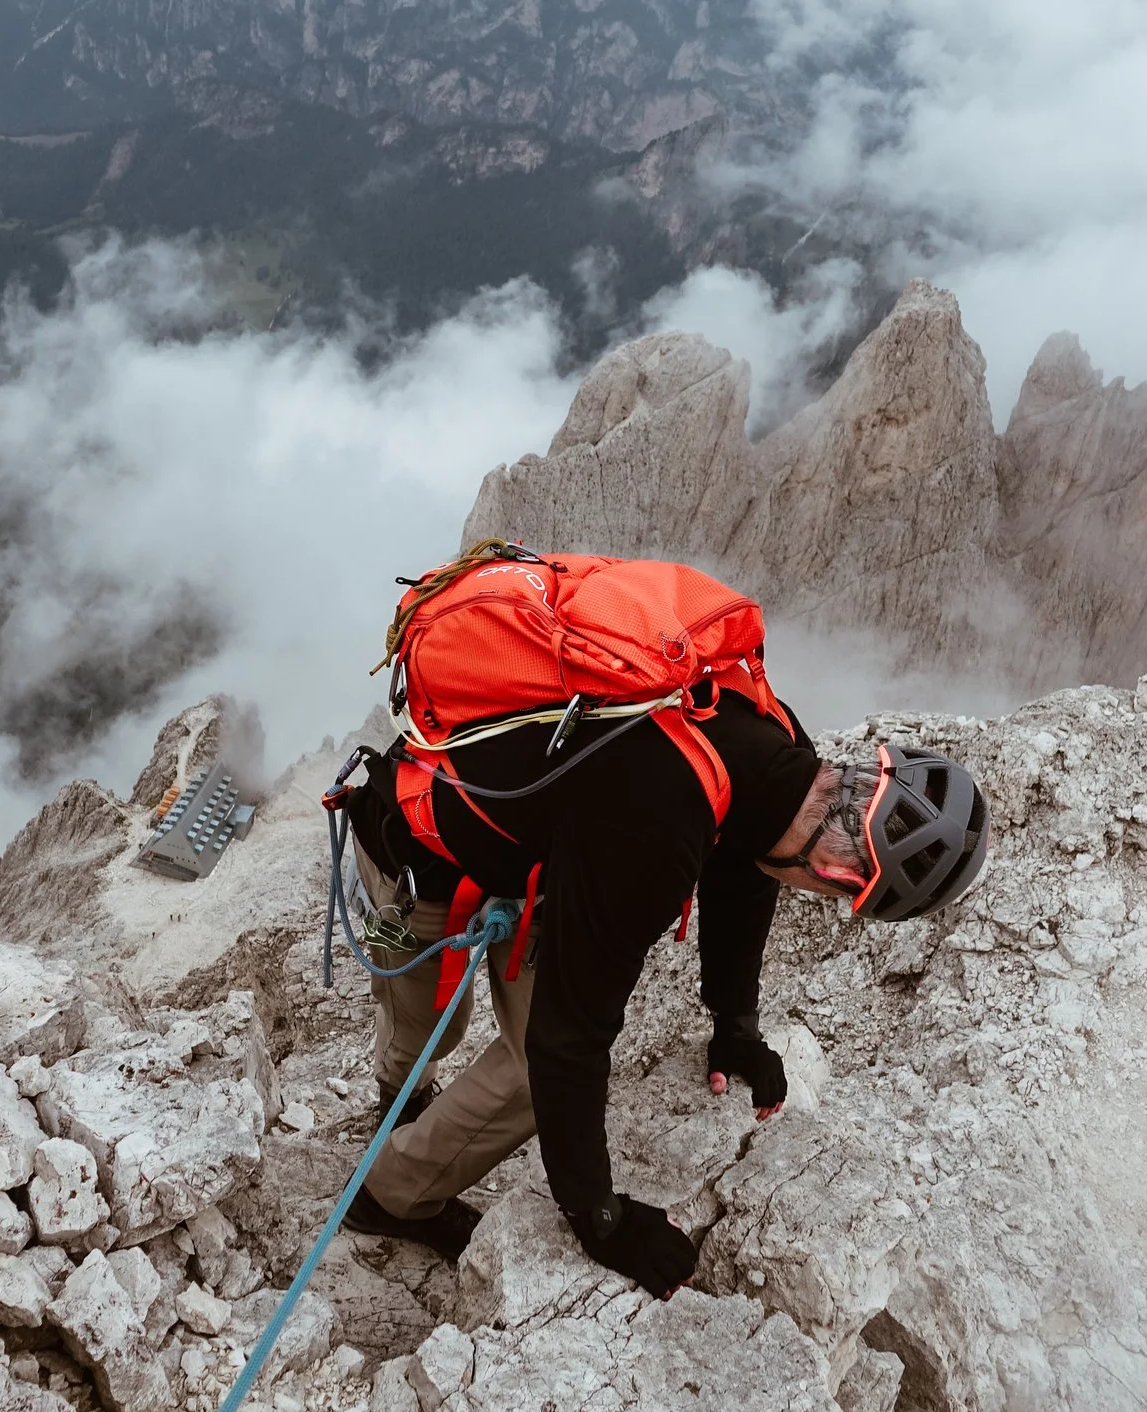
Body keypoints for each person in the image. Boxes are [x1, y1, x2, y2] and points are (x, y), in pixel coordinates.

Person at [333, 550, 989, 1299]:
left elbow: (749, 859)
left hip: (541, 857)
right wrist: (599, 1217)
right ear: (842, 878)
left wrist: (733, 1019)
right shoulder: (654, 827)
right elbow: (567, 1040)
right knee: (447, 1040)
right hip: (412, 855)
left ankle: (405, 1116)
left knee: (486, 1049)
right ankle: (387, 1192)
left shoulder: (780, 742)